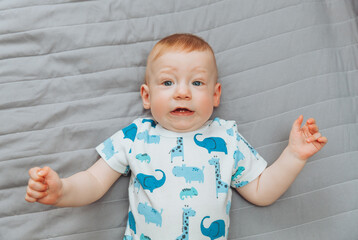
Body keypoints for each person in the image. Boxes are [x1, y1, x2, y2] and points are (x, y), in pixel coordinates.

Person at [25, 33, 327, 239]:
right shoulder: (135, 135)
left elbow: (262, 191)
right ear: (146, 95)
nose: (182, 92)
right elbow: (92, 183)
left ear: (215, 94)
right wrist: (62, 190)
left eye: (196, 82)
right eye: (168, 82)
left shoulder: (226, 138)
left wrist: (293, 156)